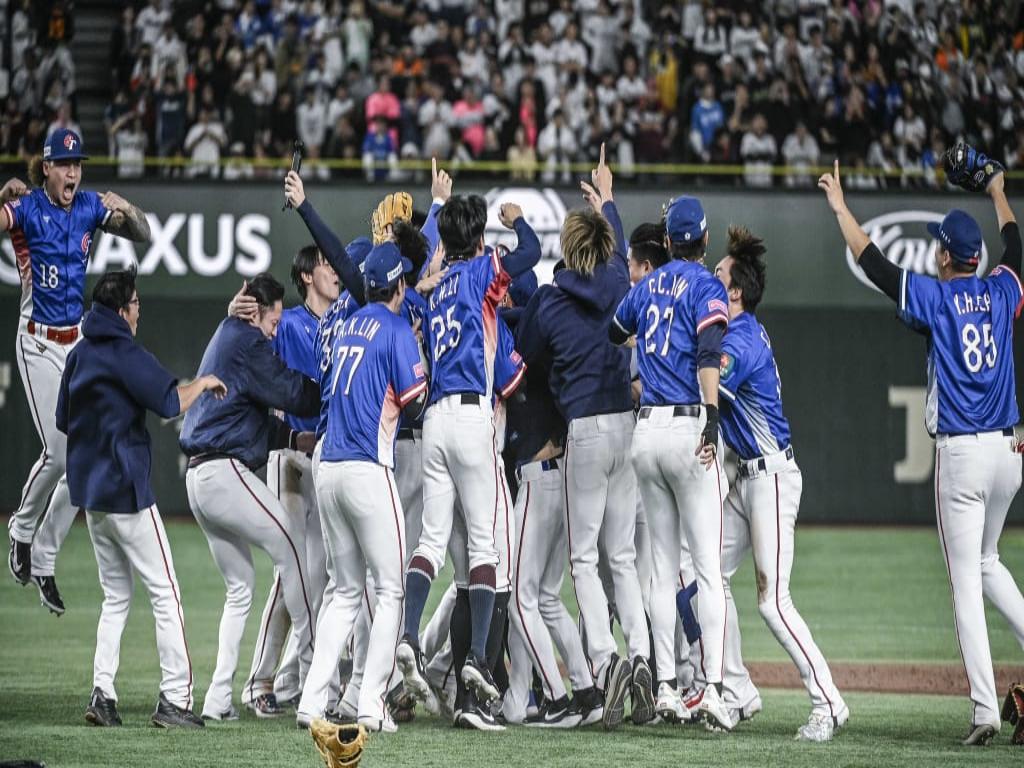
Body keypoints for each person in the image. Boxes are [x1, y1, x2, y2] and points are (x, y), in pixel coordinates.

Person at [819, 157, 1024, 747]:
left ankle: (985, 710)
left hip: (962, 456)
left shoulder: (937, 299)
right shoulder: (1001, 289)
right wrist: (997, 189)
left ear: (942, 257)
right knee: (988, 564)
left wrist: (841, 210)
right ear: (976, 260)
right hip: (1009, 451)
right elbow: (1016, 243)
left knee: (965, 583)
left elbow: (876, 264)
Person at [516, 145, 652, 730]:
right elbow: (617, 250)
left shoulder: (549, 299)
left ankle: (603, 663)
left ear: (565, 251)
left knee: (582, 557)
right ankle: (646, 663)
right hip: (629, 423)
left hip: (585, 432)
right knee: (621, 555)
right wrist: (609, 198)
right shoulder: (621, 277)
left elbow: (524, 355)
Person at [396, 173, 540, 727]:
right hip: (473, 416)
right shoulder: (482, 271)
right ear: (478, 238)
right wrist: (517, 220)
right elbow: (526, 255)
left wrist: (436, 218)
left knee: (431, 540)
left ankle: (409, 637)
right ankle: (479, 658)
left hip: (432, 419)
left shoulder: (432, 285)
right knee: (485, 547)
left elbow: (417, 281)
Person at [56, 268, 225, 729]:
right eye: (135, 303)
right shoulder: (124, 353)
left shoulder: (81, 352)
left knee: (116, 596)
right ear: (121, 310)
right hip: (126, 492)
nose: (139, 310)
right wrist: (205, 382)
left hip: (91, 498)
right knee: (166, 592)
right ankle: (175, 699)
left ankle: (103, 695)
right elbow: (172, 403)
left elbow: (64, 420)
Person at [3, 128, 151, 616]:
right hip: (39, 339)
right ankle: (22, 532)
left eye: (77, 163)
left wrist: (124, 206)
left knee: (80, 458)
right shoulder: (26, 209)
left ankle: (43, 557)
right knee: (62, 450)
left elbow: (145, 233)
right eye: (64, 163)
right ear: (45, 168)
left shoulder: (88, 207)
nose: (73, 171)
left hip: (78, 340)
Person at [711, 226, 848, 740]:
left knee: (772, 600)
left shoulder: (742, 338)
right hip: (746, 479)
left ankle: (828, 703)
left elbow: (709, 381)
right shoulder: (736, 330)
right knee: (705, 571)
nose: (711, 281)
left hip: (768, 477)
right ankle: (737, 688)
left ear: (736, 294)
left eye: (719, 277)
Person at [609, 194, 732, 731]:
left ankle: (662, 686)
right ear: (703, 241)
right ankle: (710, 689)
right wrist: (711, 414)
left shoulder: (648, 283)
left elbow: (617, 330)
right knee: (705, 568)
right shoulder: (705, 285)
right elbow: (708, 352)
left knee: (660, 568)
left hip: (647, 430)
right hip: (686, 426)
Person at [297, 242, 428, 733]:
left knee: (344, 590)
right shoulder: (395, 328)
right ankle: (371, 705)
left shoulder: (345, 321)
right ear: (398, 286)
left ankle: (312, 702)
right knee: (391, 588)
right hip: (367, 467)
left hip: (327, 464)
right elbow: (414, 405)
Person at [179, 273, 320, 721]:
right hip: (223, 473)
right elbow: (289, 390)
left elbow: (250, 414)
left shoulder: (229, 333)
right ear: (254, 311)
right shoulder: (247, 340)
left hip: (200, 478)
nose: (275, 331)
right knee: (292, 550)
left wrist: (296, 439)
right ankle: (319, 673)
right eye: (273, 322)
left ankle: (217, 700)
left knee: (240, 588)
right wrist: (336, 385)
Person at [241, 245, 340, 717]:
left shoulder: (343, 321)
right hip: (290, 453)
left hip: (327, 455)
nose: (333, 271)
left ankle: (292, 679)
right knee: (292, 574)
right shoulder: (291, 324)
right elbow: (255, 352)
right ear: (305, 275)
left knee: (319, 576)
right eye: (324, 265)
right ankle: (260, 680)